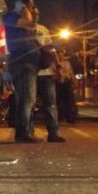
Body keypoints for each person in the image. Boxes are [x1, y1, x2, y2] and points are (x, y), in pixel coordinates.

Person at [3, 0, 43, 143]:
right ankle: (23, 133)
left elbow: (31, 26)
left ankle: (26, 132)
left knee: (28, 99)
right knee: (26, 99)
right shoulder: (11, 17)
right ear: (22, 5)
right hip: (22, 63)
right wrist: (27, 10)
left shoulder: (16, 20)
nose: (33, 9)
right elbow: (29, 23)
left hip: (29, 64)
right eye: (30, 6)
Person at [34, 13, 66, 142]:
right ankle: (27, 133)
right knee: (29, 104)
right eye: (32, 13)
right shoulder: (21, 30)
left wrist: (58, 67)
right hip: (30, 73)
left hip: (47, 73)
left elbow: (51, 50)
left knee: (50, 104)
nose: (35, 15)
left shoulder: (43, 29)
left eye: (36, 13)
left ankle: (54, 134)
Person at [55, 49, 79, 124]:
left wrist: (74, 81)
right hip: (58, 83)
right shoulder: (55, 63)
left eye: (62, 54)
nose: (61, 56)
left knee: (70, 101)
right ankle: (59, 117)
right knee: (58, 101)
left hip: (67, 82)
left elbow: (71, 72)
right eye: (59, 54)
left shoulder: (67, 63)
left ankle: (70, 118)